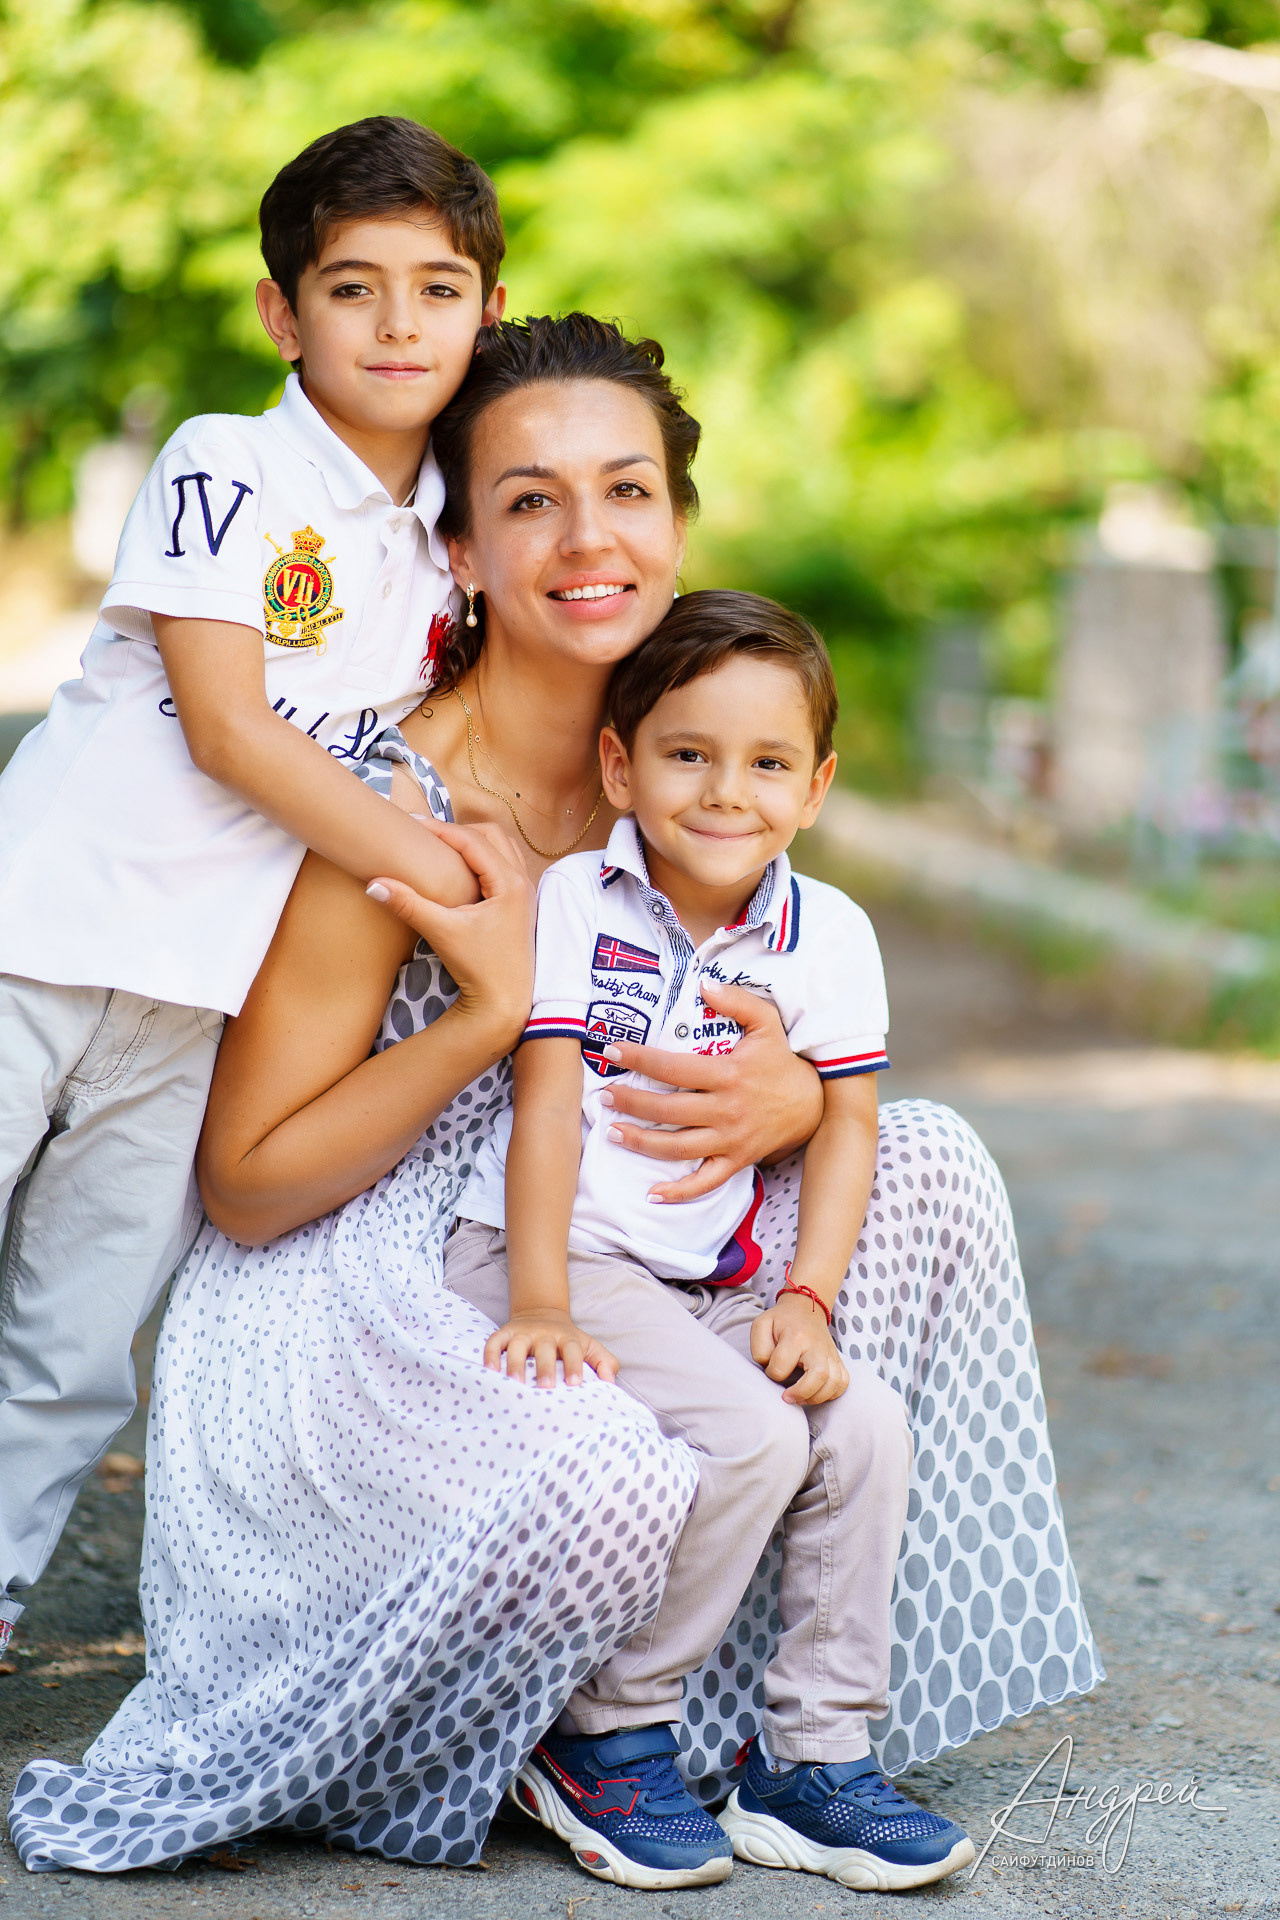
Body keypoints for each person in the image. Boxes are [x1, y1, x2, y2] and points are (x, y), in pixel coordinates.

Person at [7, 315, 1103, 1880]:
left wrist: (793, 1098)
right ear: (455, 544)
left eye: (629, 492)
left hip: (622, 1231)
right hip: (371, 1276)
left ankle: (791, 1723)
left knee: (925, 1156)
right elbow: (245, 1183)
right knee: (611, 1469)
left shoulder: (695, 755)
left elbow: (794, 1030)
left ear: (677, 519)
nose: (591, 539)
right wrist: (497, 1014)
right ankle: (583, 1724)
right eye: (528, 500)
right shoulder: (391, 800)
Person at [0, 114, 507, 1653]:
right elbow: (228, 729)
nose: (400, 323)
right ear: (287, 314)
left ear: (486, 309)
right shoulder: (230, 460)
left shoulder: (451, 551)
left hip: (205, 1000)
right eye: (354, 288)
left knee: (78, 1345)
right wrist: (443, 877)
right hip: (41, 934)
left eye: (439, 286)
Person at [444, 590, 973, 1892]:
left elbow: (846, 1126)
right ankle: (607, 1736)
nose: (726, 792)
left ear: (817, 786)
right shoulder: (582, 899)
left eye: (768, 763)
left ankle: (810, 1761)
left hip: (698, 1285)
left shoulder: (829, 935)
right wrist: (542, 1292)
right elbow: (549, 1102)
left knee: (862, 1426)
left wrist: (810, 1296)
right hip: (552, 1257)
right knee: (752, 1434)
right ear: (621, 766)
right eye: (688, 754)